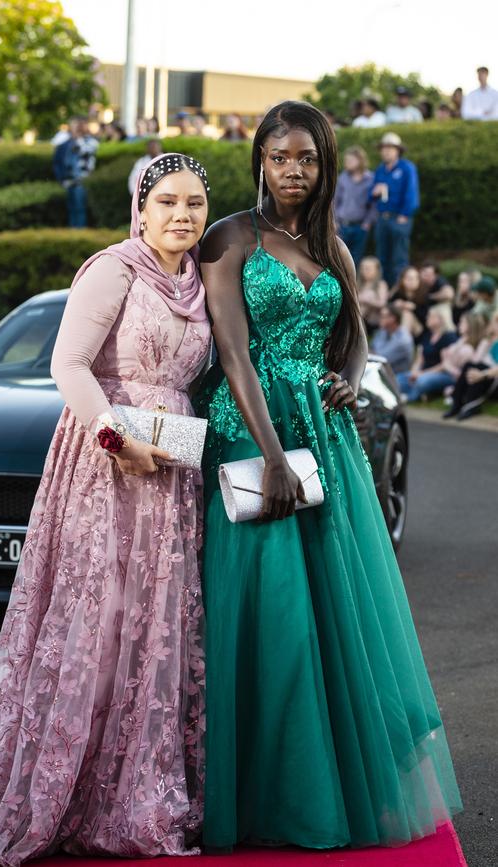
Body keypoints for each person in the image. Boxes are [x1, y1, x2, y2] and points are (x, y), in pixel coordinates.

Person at [194, 100, 461, 852]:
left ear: (325, 164)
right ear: (259, 159)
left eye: (306, 159)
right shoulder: (231, 237)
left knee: (333, 611)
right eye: (279, 157)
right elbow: (233, 353)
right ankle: (260, 793)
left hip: (327, 436)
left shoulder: (335, 249)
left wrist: (344, 378)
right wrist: (272, 455)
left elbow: (354, 342)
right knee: (270, 608)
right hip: (253, 431)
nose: (292, 171)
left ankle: (327, 786)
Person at [0, 153, 211, 866]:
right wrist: (117, 438)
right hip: (107, 464)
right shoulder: (113, 269)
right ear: (141, 208)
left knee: (153, 629)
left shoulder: (195, 282)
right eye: (168, 202)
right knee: (99, 620)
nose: (183, 215)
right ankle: (64, 792)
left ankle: (136, 792)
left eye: (195, 205)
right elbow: (68, 364)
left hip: (171, 469)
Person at [370, 131, 420, 286]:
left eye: (390, 148)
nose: (386, 151)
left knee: (399, 258)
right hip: (382, 218)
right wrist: (375, 192)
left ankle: (399, 292)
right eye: (384, 148)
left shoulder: (407, 168)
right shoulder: (380, 169)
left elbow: (411, 193)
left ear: (398, 150)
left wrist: (404, 215)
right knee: (382, 257)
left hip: (399, 218)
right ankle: (383, 292)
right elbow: (371, 196)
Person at [396, 304, 460, 401]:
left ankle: (410, 397)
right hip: (423, 372)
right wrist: (414, 372)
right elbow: (420, 359)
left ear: (441, 319)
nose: (427, 317)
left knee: (422, 381)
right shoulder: (427, 335)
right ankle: (425, 394)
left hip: (443, 374)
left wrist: (422, 374)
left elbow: (444, 365)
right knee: (399, 379)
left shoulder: (448, 337)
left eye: (431, 316)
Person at [444, 310, 498, 420]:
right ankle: (457, 402)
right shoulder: (489, 342)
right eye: (495, 322)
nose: (494, 325)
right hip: (486, 375)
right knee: (470, 365)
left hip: (493, 380)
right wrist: (486, 342)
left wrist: (482, 374)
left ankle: (471, 405)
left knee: (476, 369)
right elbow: (477, 360)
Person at [333, 145, 376, 268]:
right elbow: (335, 202)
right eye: (346, 160)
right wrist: (334, 221)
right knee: (340, 259)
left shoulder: (370, 179)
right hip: (343, 226)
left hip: (360, 227)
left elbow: (374, 205)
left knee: (356, 260)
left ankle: (353, 286)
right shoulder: (343, 178)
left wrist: (367, 223)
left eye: (350, 160)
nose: (347, 163)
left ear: (360, 160)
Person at [53, 118, 99, 228]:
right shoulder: (68, 143)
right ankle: (73, 232)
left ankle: (80, 232)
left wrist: (78, 139)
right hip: (69, 181)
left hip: (81, 181)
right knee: (71, 208)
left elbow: (87, 152)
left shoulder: (89, 141)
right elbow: (61, 161)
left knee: (79, 208)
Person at [371, 304, 415, 373]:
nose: (380, 319)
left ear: (392, 318)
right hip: (383, 373)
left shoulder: (403, 340)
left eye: (383, 316)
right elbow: (372, 349)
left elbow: (380, 358)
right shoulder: (383, 331)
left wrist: (373, 353)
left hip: (397, 378)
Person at [389, 265, 429, 339]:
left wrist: (414, 308)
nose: (412, 281)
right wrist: (394, 305)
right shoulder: (398, 293)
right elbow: (387, 307)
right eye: (409, 279)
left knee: (407, 313)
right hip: (398, 327)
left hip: (420, 331)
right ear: (402, 280)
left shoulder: (424, 294)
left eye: (415, 278)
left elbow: (427, 319)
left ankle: (400, 343)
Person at [356, 255, 389, 332]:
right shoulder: (357, 284)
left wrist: (366, 300)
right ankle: (356, 322)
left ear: (377, 270)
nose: (364, 271)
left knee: (369, 294)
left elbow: (382, 303)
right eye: (362, 268)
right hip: (362, 317)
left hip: (374, 320)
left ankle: (355, 323)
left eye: (368, 269)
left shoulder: (381, 284)